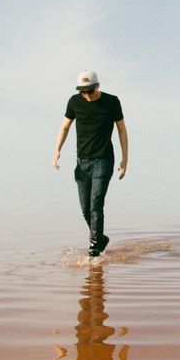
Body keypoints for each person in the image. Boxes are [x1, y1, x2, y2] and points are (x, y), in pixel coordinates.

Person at [53, 71, 128, 257]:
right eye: (83, 91)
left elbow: (122, 131)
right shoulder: (74, 101)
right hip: (82, 162)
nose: (86, 95)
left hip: (103, 160)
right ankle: (101, 238)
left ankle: (94, 248)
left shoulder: (111, 102)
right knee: (85, 208)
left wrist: (125, 159)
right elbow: (64, 126)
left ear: (98, 86)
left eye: (89, 90)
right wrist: (56, 150)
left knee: (96, 204)